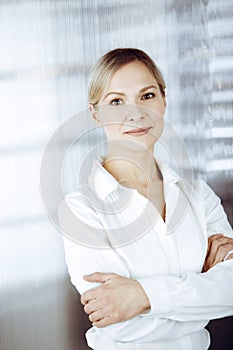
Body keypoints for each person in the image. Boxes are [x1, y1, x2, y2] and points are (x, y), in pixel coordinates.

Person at [59, 48, 233, 350]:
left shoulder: (198, 196)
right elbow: (120, 327)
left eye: (147, 96)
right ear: (95, 113)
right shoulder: (81, 209)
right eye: (116, 101)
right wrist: (202, 292)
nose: (135, 113)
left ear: (164, 101)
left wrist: (141, 297)